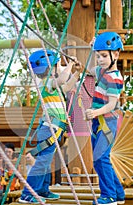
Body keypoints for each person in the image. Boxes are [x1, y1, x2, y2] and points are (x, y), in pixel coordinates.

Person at [19, 49, 82, 204]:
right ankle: (27, 193)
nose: (59, 68)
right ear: (50, 68)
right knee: (42, 162)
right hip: (49, 128)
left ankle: (42, 189)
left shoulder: (52, 86)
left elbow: (67, 86)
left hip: (55, 128)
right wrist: (69, 64)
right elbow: (61, 80)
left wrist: (77, 73)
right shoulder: (47, 83)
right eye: (56, 66)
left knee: (46, 162)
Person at [85, 32, 125, 205]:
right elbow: (87, 69)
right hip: (98, 122)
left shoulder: (115, 78)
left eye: (103, 55)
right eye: (98, 56)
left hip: (107, 121)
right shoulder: (101, 71)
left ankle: (109, 197)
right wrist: (90, 50)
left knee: (100, 159)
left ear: (115, 54)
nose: (99, 59)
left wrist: (95, 112)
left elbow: (111, 105)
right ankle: (118, 193)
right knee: (101, 158)